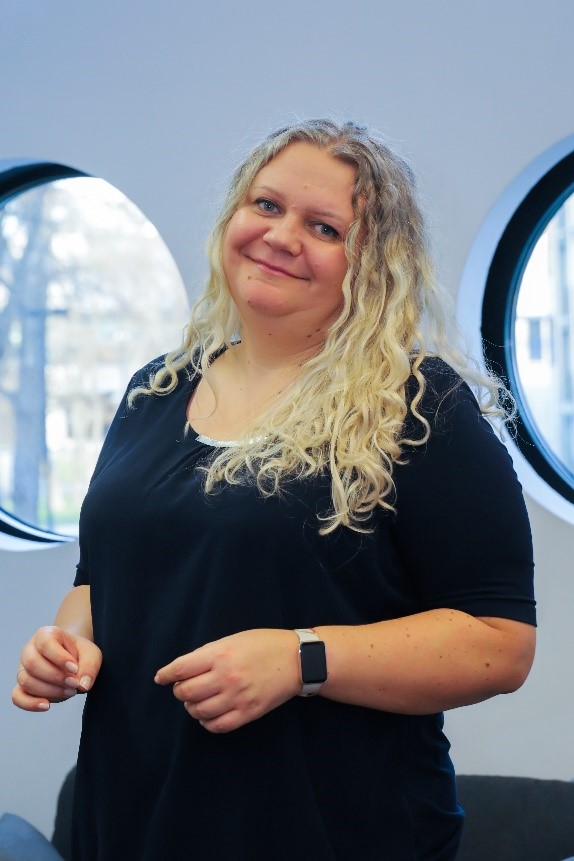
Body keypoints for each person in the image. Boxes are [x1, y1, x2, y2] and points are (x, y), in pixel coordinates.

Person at [12, 119, 536, 861]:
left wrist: (302, 659)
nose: (281, 235)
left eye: (323, 226)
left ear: (372, 264)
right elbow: (102, 578)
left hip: (328, 832)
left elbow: (501, 644)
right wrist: (68, 642)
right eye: (265, 205)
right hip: (136, 818)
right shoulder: (154, 391)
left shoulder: (418, 408)